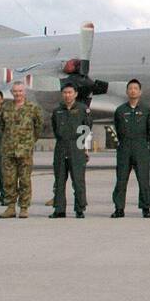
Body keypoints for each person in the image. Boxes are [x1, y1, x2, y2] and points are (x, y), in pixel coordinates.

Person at [0, 82, 43, 219]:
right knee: (9, 179)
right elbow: (1, 126)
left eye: (20, 91)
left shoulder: (33, 108)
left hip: (25, 150)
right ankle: (10, 207)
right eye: (15, 91)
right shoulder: (5, 107)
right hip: (9, 149)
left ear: (25, 92)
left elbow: (38, 127)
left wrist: (29, 141)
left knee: (25, 179)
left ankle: (24, 207)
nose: (18, 94)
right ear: (11, 92)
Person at [111, 78, 150, 218]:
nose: (133, 91)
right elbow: (118, 128)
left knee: (143, 179)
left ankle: (145, 208)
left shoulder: (146, 110)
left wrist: (143, 144)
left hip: (141, 147)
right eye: (130, 88)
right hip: (124, 147)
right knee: (121, 179)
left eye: (135, 88)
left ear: (140, 92)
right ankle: (119, 208)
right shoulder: (120, 110)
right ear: (126, 91)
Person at [50, 85, 90, 218]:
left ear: (75, 94)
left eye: (70, 92)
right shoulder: (57, 111)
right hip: (61, 147)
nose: (67, 95)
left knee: (78, 180)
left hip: (77, 146)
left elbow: (87, 128)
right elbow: (55, 129)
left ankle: (80, 208)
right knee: (59, 180)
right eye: (65, 92)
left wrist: (85, 148)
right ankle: (59, 209)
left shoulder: (82, 109)